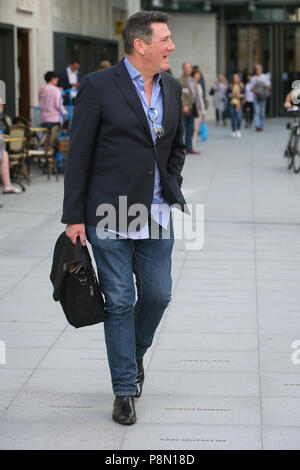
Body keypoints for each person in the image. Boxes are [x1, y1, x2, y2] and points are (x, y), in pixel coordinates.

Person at [61, 10, 188, 426]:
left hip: (154, 214)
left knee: (158, 296)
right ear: (140, 44)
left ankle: (132, 353)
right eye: (165, 39)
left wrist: (169, 187)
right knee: (119, 302)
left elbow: (176, 147)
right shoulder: (98, 87)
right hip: (107, 214)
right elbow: (78, 154)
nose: (171, 46)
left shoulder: (171, 86)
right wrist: (74, 216)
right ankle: (123, 390)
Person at [178, 61, 200, 154]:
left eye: (189, 68)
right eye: (186, 68)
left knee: (191, 129)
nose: (188, 69)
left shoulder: (193, 80)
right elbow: (179, 94)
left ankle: (189, 148)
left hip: (192, 107)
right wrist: (183, 105)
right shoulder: (179, 80)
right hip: (184, 108)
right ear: (183, 69)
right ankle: (181, 149)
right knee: (182, 129)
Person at [250, 64, 271, 132]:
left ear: (261, 69)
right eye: (256, 69)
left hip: (263, 97)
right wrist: (256, 90)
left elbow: (269, 87)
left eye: (259, 68)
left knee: (262, 113)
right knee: (256, 112)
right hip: (256, 97)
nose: (258, 70)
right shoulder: (253, 78)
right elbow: (251, 88)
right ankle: (257, 126)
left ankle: (261, 126)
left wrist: (263, 85)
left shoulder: (265, 77)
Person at [191, 69, 206, 152]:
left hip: (199, 110)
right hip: (193, 110)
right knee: (193, 129)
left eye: (199, 74)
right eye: (197, 74)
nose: (198, 76)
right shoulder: (191, 84)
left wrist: (203, 112)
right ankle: (191, 146)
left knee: (196, 129)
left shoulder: (199, 85)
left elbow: (201, 100)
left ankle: (192, 146)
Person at [227, 73, 245, 138]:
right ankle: (233, 130)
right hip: (232, 103)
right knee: (233, 117)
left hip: (239, 103)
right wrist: (232, 95)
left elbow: (244, 94)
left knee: (239, 117)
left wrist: (240, 95)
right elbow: (227, 94)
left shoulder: (242, 85)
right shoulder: (230, 86)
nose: (236, 79)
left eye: (237, 78)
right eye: (234, 78)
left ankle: (238, 130)